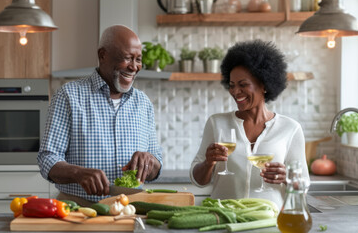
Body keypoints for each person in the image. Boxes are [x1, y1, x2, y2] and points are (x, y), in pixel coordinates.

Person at [38, 25, 163, 206]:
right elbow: (47, 158)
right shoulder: (69, 96)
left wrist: (150, 162)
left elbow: (157, 166)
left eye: (138, 59)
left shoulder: (143, 103)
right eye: (127, 58)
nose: (134, 67)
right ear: (103, 55)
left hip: (129, 210)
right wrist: (78, 173)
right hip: (79, 208)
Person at [190, 40, 309, 207]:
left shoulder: (290, 129)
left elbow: (303, 187)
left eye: (243, 85)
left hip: (270, 221)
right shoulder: (217, 123)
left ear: (264, 86)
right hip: (224, 219)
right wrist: (208, 163)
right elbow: (198, 181)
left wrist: (288, 178)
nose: (235, 92)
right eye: (231, 85)